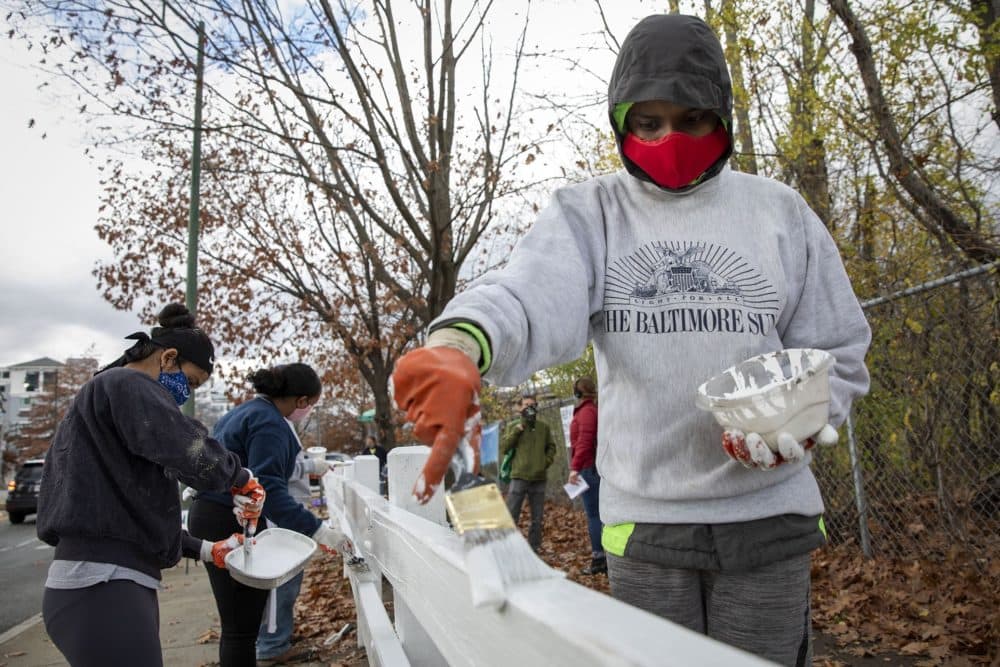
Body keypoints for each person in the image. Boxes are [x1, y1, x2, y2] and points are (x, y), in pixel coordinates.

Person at [391, 14, 871, 666]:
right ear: (623, 122)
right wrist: (458, 343)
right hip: (647, 527)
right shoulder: (590, 215)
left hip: (769, 520)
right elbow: (528, 296)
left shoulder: (779, 212)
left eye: (692, 118)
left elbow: (838, 347)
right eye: (648, 122)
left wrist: (808, 416)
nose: (669, 138)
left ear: (721, 116)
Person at [37, 303, 265, 667]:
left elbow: (127, 511)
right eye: (190, 382)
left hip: (101, 585)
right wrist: (239, 479)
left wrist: (207, 550)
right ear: (168, 357)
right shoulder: (125, 383)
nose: (187, 394)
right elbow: (188, 449)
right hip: (104, 586)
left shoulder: (105, 401)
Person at [188, 363, 346, 667]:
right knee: (241, 628)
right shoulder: (270, 422)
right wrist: (318, 531)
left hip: (209, 513)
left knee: (237, 625)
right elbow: (268, 486)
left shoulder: (244, 412)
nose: (309, 411)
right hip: (228, 519)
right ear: (301, 400)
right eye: (311, 404)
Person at [499, 394, 557, 553]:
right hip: (519, 476)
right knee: (512, 514)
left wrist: (544, 462)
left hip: (538, 478)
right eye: (526, 405)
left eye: (532, 405)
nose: (529, 408)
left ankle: (534, 549)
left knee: (537, 518)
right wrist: (518, 430)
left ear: (536, 407)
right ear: (520, 407)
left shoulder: (543, 428)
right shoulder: (513, 426)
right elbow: (504, 447)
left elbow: (551, 447)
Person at [568, 377, 604, 575]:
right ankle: (602, 556)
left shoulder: (587, 412)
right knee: (596, 514)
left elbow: (584, 441)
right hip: (588, 468)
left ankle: (599, 558)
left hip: (588, 469)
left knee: (594, 516)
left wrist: (575, 467)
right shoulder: (588, 411)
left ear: (579, 393)